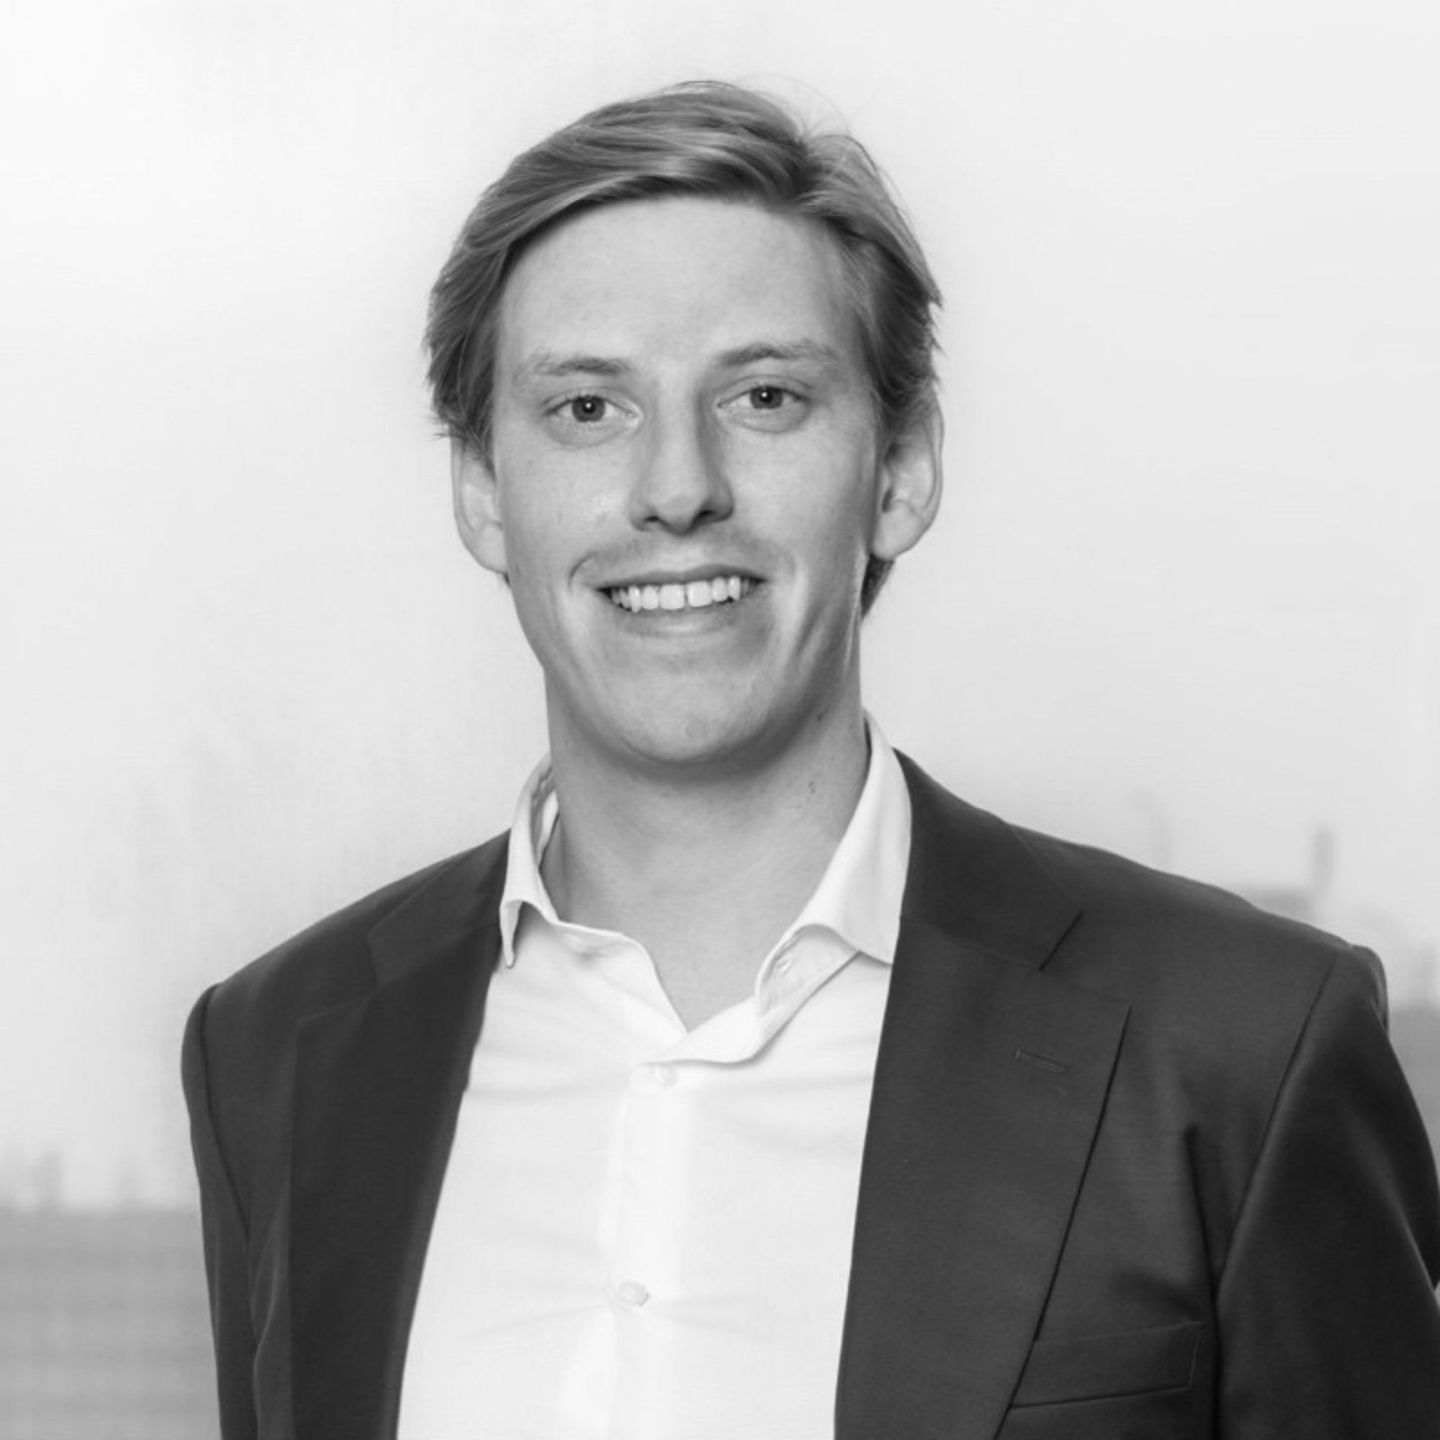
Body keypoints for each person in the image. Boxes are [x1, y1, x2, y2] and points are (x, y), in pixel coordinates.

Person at [183, 81, 1440, 1440]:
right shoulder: (279, 1055)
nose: (677, 487)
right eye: (589, 407)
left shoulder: (1239, 1051)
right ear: (483, 491)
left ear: (900, 470)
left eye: (766, 396)